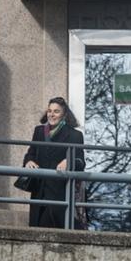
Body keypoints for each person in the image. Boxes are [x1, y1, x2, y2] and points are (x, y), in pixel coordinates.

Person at [22, 96, 85, 229]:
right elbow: (31, 153)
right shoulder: (39, 131)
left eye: (56, 111)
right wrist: (28, 161)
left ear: (64, 114)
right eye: (49, 111)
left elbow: (81, 163)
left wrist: (69, 160)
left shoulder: (75, 135)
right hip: (39, 192)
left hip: (59, 194)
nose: (51, 114)